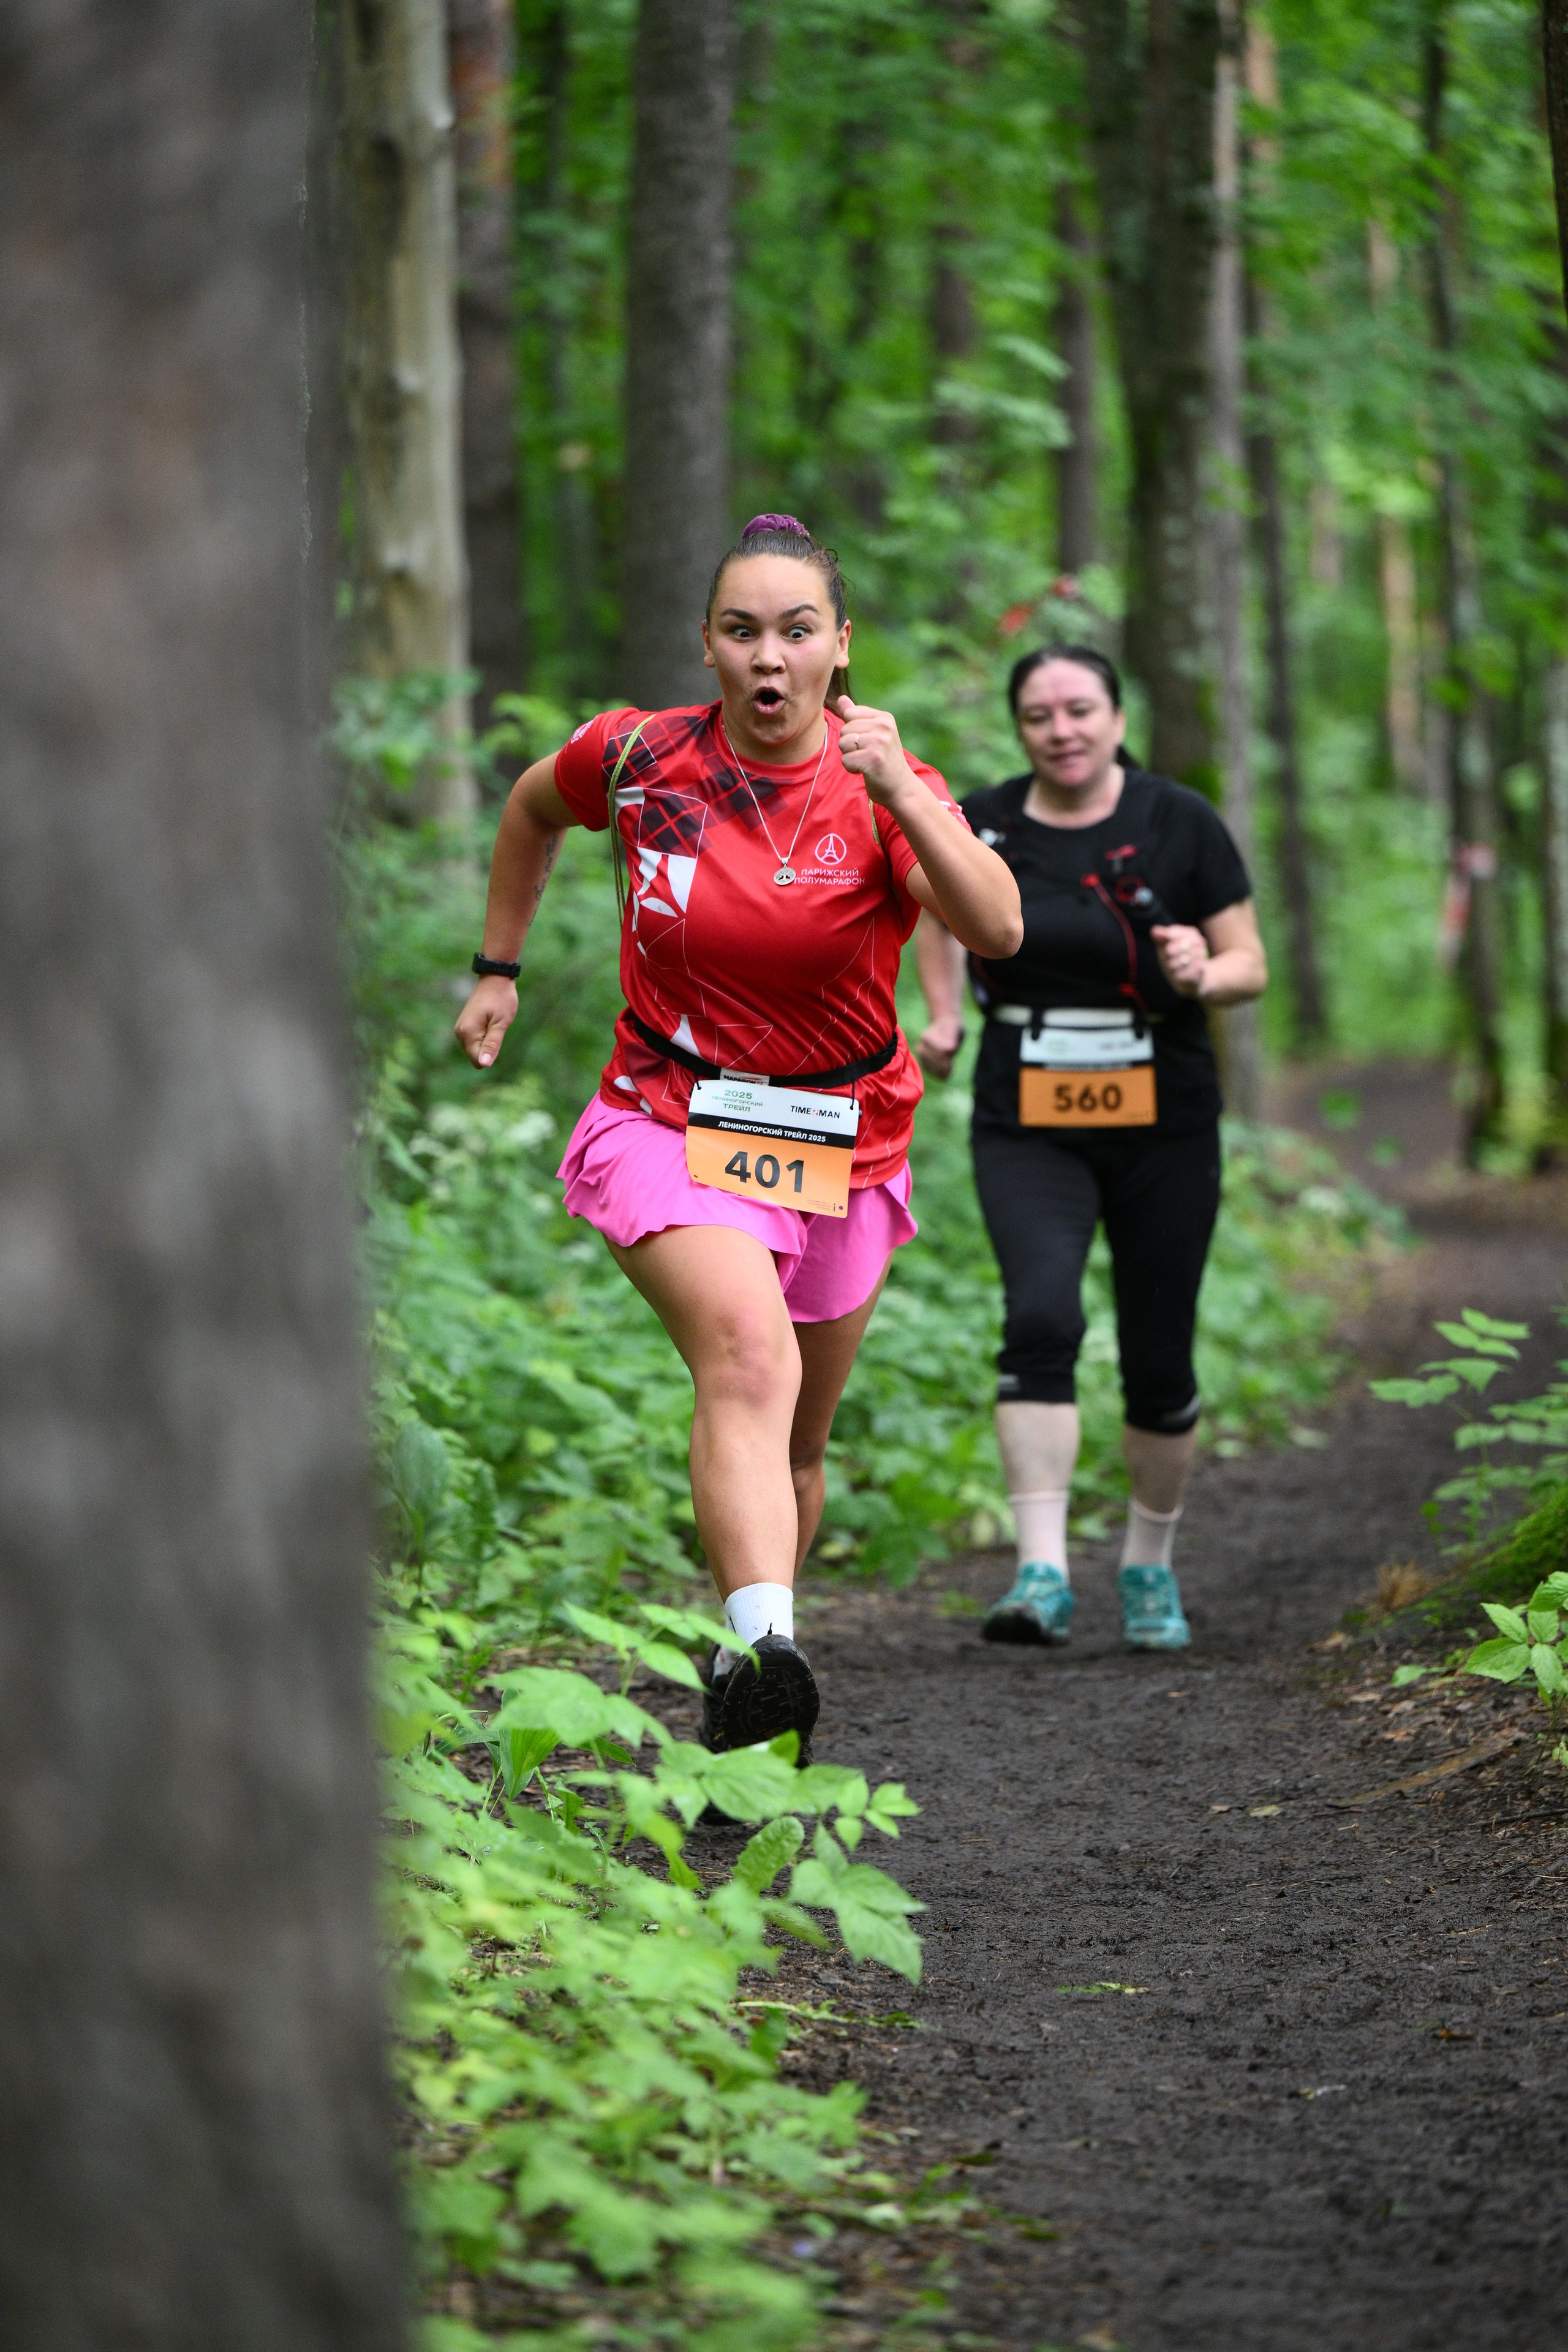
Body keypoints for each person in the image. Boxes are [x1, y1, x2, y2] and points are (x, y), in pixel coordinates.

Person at [455, 515, 1020, 1755]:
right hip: (669, 1107)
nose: (769, 657)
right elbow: (527, 807)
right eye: (741, 630)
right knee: (745, 1361)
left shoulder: (884, 790)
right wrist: (497, 965)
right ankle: (769, 1641)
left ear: (838, 647)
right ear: (706, 644)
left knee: (796, 1443)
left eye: (796, 631)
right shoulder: (639, 757)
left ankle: (748, 1691)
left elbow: (995, 928)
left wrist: (907, 802)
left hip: (841, 1138)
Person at [915, 644, 1267, 1651]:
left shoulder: (1178, 822)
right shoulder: (981, 819)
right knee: (1039, 1315)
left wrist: (1204, 968)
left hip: (1165, 1116)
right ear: (1018, 728)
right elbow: (932, 910)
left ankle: (1149, 1570)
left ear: (1116, 714)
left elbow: (1253, 964)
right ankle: (1042, 1574)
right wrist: (943, 1013)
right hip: (1027, 1115)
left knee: (1160, 1353)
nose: (1061, 729)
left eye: (1079, 709)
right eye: (1038, 715)